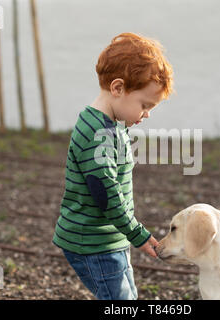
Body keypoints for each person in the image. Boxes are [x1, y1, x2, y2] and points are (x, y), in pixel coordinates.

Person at [52, 32, 174, 300]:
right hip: (93, 242)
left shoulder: (113, 126)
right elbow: (107, 196)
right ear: (118, 88)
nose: (147, 113)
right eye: (144, 105)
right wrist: (137, 234)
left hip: (110, 239)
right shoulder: (97, 134)